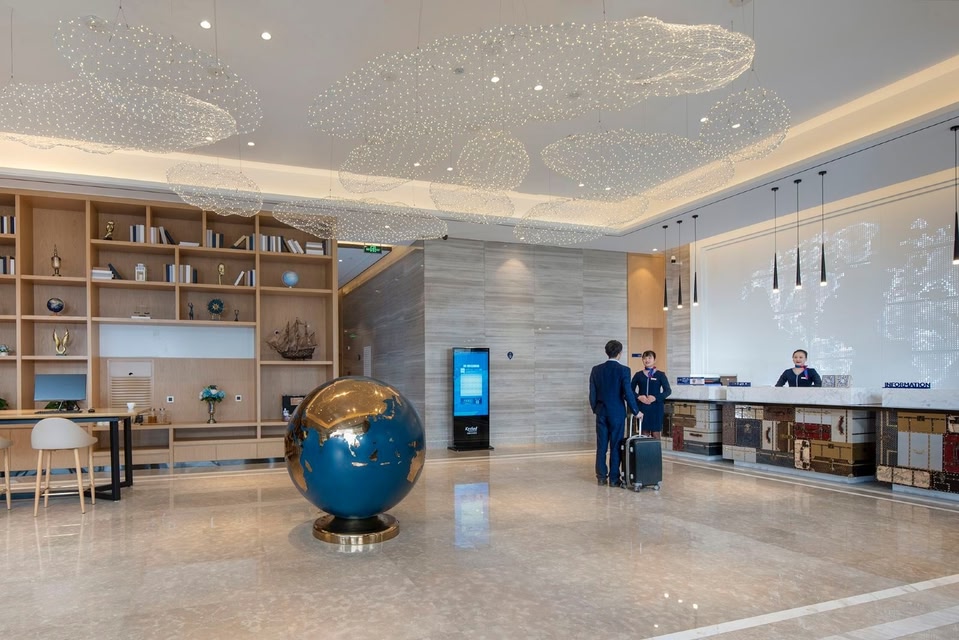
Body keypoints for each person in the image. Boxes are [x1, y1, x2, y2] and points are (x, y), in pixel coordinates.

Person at [589, 339, 640, 487]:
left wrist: (596, 408)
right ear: (620, 353)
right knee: (616, 445)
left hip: (601, 412)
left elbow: (592, 393)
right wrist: (636, 411)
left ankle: (601, 477)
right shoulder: (624, 370)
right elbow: (628, 393)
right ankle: (613, 479)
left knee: (601, 446)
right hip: (617, 413)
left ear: (607, 352)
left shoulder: (596, 370)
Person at [631, 350, 671, 440]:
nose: (647, 360)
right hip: (642, 408)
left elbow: (668, 391)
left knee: (656, 434)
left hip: (656, 408)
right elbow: (630, 390)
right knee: (644, 433)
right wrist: (639, 397)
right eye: (645, 358)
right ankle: (644, 450)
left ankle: (656, 450)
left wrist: (656, 398)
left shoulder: (660, 375)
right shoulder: (638, 375)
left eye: (649, 358)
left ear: (654, 360)